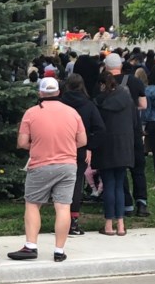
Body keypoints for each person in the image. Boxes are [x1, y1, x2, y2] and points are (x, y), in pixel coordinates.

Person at [9, 78, 87, 262]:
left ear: (40, 93)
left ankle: (31, 246)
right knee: (63, 207)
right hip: (68, 165)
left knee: (33, 203)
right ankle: (59, 250)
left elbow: (21, 142)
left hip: (40, 164)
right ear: (59, 92)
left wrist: (37, 145)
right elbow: (82, 141)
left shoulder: (31, 113)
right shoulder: (72, 113)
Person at [100, 52, 150, 217]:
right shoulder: (135, 82)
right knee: (138, 168)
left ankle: (126, 204)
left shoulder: (101, 84)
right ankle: (141, 202)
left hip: (111, 132)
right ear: (120, 65)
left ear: (106, 67)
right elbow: (143, 104)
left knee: (118, 169)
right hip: (133, 130)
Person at [59, 74, 106, 235]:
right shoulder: (88, 105)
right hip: (80, 149)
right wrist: (90, 146)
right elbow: (100, 129)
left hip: (60, 147)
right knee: (76, 184)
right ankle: (73, 221)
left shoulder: (60, 104)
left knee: (59, 184)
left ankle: (61, 219)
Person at [93, 72, 136, 236]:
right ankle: (121, 225)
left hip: (106, 146)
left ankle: (108, 225)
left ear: (103, 85)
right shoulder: (127, 99)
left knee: (109, 185)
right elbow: (135, 123)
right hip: (124, 145)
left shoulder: (99, 102)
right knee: (120, 185)